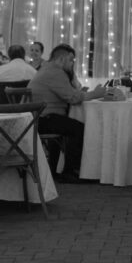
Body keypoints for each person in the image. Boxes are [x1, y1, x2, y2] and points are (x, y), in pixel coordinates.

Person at [28, 43, 106, 181]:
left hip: (36, 117)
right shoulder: (55, 72)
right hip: (44, 118)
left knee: (65, 125)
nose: (72, 64)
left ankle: (54, 170)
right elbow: (73, 98)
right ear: (62, 59)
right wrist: (96, 94)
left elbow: (69, 93)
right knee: (78, 128)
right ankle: (69, 171)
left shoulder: (46, 68)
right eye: (71, 60)